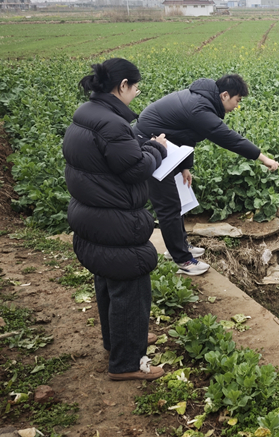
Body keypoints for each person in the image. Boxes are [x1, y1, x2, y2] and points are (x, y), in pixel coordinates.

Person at [62, 58, 168, 381]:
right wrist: (158, 149)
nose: (136, 94)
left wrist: (142, 146)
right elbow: (136, 167)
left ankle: (120, 340)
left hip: (94, 219)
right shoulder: (111, 124)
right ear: (122, 86)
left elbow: (115, 157)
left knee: (108, 279)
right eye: (135, 88)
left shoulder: (88, 115)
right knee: (132, 284)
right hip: (115, 222)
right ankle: (126, 363)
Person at [135, 74, 279, 275]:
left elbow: (186, 135)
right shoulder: (200, 108)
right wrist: (263, 158)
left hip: (165, 146)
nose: (236, 106)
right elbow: (229, 138)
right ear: (224, 95)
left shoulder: (201, 100)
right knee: (168, 204)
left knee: (177, 200)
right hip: (148, 146)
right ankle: (183, 261)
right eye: (237, 101)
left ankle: (179, 246)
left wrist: (185, 166)